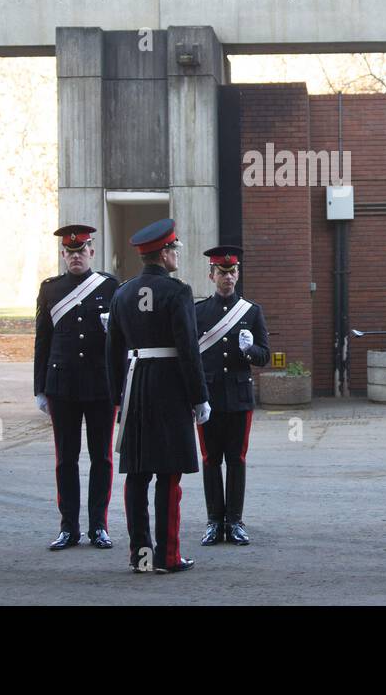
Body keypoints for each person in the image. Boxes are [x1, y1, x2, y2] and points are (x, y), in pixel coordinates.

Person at [105, 218, 210, 574]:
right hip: (169, 387)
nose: (176, 254)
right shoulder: (178, 292)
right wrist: (200, 397)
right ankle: (167, 555)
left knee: (137, 475)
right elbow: (188, 350)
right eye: (174, 249)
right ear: (163, 254)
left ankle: (141, 556)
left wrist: (117, 396)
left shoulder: (122, 293)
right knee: (168, 476)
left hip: (135, 387)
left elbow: (112, 351)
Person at [33, 224, 120, 550]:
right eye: (70, 252)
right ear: (62, 255)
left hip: (100, 385)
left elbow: (123, 341)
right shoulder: (51, 289)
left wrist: (114, 331)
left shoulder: (110, 287)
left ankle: (99, 526)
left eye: (81, 251)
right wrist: (39, 387)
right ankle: (69, 527)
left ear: (91, 252)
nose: (75, 256)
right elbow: (43, 339)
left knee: (102, 458)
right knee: (65, 459)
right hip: (63, 386)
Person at [194, 245, 270, 547]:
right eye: (222, 272)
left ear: (238, 274)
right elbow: (191, 355)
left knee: (236, 460)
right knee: (211, 459)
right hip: (209, 397)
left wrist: (249, 350)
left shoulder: (251, 312)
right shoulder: (198, 311)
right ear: (212, 275)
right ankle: (214, 521)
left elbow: (264, 355)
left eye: (233, 271)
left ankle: (235, 521)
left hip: (238, 397)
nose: (228, 277)